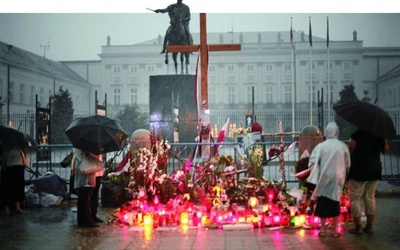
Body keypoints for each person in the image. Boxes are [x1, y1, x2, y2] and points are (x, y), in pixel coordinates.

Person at [308, 122, 351, 237]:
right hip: (338, 178)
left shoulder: (321, 146)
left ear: (326, 132)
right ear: (337, 132)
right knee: (335, 203)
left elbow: (312, 163)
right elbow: (348, 164)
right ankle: (335, 230)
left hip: (324, 178)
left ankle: (322, 229)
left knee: (322, 204)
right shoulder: (343, 146)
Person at [347, 129, 389, 234]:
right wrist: (384, 140)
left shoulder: (358, 134)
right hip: (374, 170)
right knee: (370, 197)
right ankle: (369, 226)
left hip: (358, 171)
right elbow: (386, 150)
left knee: (355, 198)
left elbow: (350, 149)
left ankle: (358, 227)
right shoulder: (379, 135)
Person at [73, 148, 104, 228]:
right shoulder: (83, 146)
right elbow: (93, 155)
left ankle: (90, 217)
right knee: (86, 197)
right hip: (87, 171)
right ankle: (86, 220)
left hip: (92, 170)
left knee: (91, 195)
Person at [1, 145, 31, 215]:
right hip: (16, 168)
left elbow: (4, 160)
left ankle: (8, 209)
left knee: (10, 188)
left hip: (10, 169)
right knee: (16, 188)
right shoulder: (18, 147)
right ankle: (16, 207)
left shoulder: (7, 148)